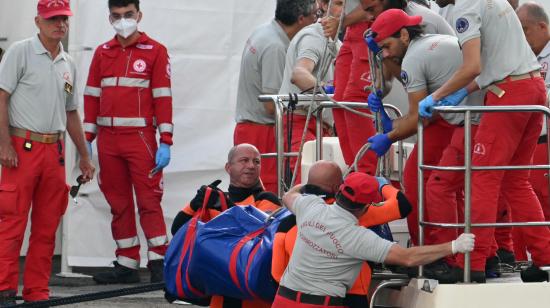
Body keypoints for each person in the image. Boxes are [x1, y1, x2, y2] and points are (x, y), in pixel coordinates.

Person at [418, 0, 550, 283]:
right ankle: (545, 258)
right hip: (532, 87)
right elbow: (495, 64)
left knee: (483, 178)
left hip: (508, 94)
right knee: (517, 181)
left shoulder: (466, 8)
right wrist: (461, 91)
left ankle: (472, 263)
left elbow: (473, 65)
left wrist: (437, 96)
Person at [0, 0, 95, 304]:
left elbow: (71, 113)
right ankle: (3, 288)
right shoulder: (20, 52)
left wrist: (84, 155)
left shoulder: (67, 63)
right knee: (12, 222)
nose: (60, 25)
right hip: (21, 148)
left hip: (54, 151)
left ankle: (37, 292)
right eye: (53, 19)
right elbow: (1, 98)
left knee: (47, 226)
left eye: (64, 19)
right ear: (37, 21)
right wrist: (3, 144)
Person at [272, 172, 475, 308]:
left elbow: (288, 196)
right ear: (367, 207)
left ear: (339, 192)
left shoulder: (310, 206)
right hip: (320, 304)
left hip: (282, 300)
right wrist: (454, 245)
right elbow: (408, 258)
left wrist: (306, 186)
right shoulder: (359, 237)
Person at [84, 0, 173, 284]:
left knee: (149, 201)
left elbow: (163, 97)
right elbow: (91, 96)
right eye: (117, 16)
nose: (123, 20)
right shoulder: (102, 53)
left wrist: (166, 140)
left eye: (129, 15)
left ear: (139, 15)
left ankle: (158, 262)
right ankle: (127, 264)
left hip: (140, 140)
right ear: (109, 17)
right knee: (118, 203)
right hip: (108, 142)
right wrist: (87, 139)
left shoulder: (155, 51)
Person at [271, 160, 411, 308]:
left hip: (288, 295)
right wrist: (382, 185)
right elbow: (402, 205)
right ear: (338, 187)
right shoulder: (356, 212)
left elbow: (276, 272)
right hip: (348, 297)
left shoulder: (293, 214)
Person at [172, 143, 281, 308]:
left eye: (256, 162)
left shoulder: (267, 199)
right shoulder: (216, 199)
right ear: (228, 167)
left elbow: (259, 234)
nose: (251, 166)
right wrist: (195, 205)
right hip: (220, 296)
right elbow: (177, 231)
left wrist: (225, 205)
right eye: (244, 160)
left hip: (253, 296)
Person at [233, 0, 317, 193]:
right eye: (314, 15)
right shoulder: (276, 47)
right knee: (268, 195)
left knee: (250, 193)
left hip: (251, 128)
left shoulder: (263, 31)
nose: (316, 20)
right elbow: (272, 105)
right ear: (301, 19)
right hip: (262, 131)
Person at [278, 0, 344, 185]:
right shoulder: (315, 36)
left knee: (325, 188)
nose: (346, 9)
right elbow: (299, 74)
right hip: (303, 122)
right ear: (322, 4)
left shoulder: (335, 42)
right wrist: (328, 95)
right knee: (310, 187)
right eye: (339, 3)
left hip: (321, 125)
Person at [512, 1, 550, 262]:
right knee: (523, 205)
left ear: (542, 26)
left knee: (543, 203)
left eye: (524, 30)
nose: (522, 37)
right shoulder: (522, 56)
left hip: (543, 141)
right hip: (527, 141)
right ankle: (524, 260)